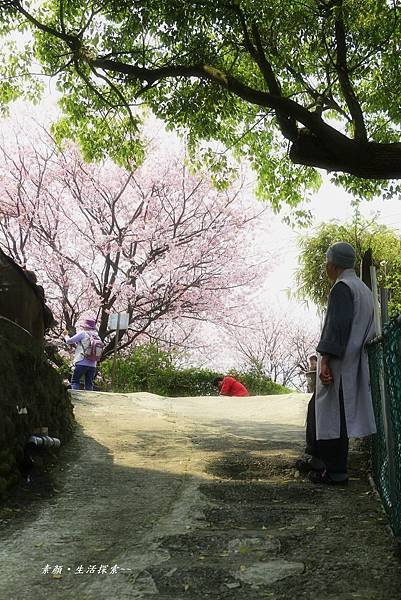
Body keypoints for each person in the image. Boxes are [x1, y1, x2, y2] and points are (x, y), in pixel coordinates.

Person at [296, 241, 376, 485]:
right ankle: (319, 461)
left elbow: (336, 327)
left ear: (333, 264)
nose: (325, 267)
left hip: (341, 363)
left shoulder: (342, 287)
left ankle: (334, 471)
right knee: (322, 411)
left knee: (333, 417)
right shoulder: (362, 289)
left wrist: (325, 361)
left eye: (326, 262)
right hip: (354, 359)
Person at [64, 318, 101, 391]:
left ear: (85, 326)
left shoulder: (83, 333)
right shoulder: (97, 336)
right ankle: (88, 400)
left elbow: (69, 341)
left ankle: (75, 398)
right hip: (93, 364)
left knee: (75, 381)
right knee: (89, 384)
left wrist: (65, 335)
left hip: (81, 361)